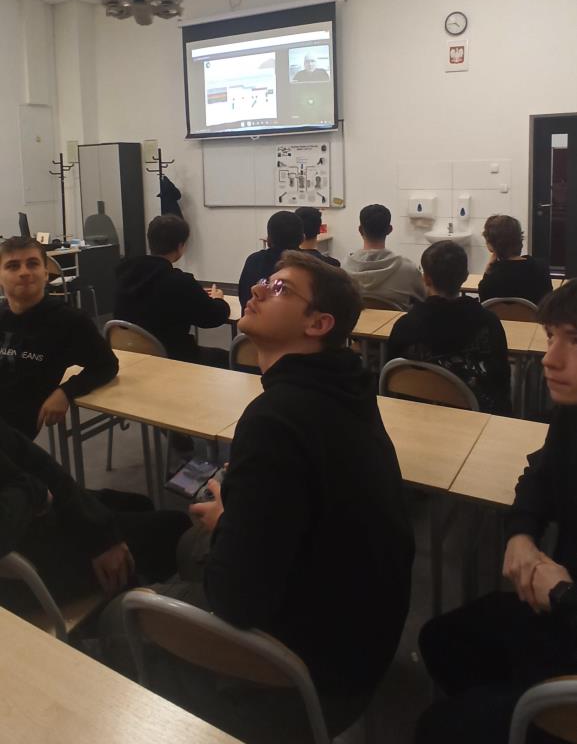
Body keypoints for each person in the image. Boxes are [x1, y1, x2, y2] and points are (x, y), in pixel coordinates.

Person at [101, 252, 414, 741]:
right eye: (267, 280)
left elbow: (237, 600)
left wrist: (228, 523)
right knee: (187, 545)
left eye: (282, 289)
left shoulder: (275, 418)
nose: (258, 289)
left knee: (120, 617)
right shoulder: (346, 386)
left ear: (319, 324)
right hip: (366, 636)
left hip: (312, 678)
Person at [416, 279, 577, 744]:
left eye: (574, 340)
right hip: (554, 618)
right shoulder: (570, 412)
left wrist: (565, 595)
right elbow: (539, 475)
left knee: (435, 729)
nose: (549, 358)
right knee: (440, 639)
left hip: (567, 622)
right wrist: (521, 533)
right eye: (550, 337)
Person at [0, 414, 189, 612]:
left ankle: (133, 596)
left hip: (32, 512)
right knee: (177, 529)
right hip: (22, 560)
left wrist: (100, 532)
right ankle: (124, 615)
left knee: (139, 504)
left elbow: (36, 462)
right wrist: (34, 492)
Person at [0, 236, 118, 440]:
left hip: (12, 432)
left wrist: (65, 392)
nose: (24, 272)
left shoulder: (69, 321)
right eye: (13, 266)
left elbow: (107, 365)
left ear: (46, 274)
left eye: (32, 264)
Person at [387, 240, 511, 414]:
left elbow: (391, 373)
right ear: (465, 276)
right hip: (476, 416)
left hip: (416, 414)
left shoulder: (405, 326)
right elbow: (502, 379)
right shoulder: (488, 322)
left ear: (426, 278)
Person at [114, 215, 230, 368]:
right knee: (226, 358)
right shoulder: (180, 282)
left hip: (131, 357)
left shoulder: (123, 274)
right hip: (173, 358)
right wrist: (218, 299)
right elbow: (213, 317)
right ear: (180, 246)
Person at [343, 203, 425, 310]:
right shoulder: (408, 269)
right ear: (389, 230)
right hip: (397, 321)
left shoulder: (344, 269)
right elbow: (424, 299)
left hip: (357, 321)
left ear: (360, 230)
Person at [237, 210, 303, 312]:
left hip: (253, 319)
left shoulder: (253, 261)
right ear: (302, 239)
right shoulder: (309, 266)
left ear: (268, 240)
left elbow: (244, 299)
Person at [479, 214, 552, 305]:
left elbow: (485, 305)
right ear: (520, 241)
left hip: (499, 315)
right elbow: (548, 304)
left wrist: (487, 272)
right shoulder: (541, 268)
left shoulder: (488, 282)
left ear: (492, 246)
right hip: (535, 315)